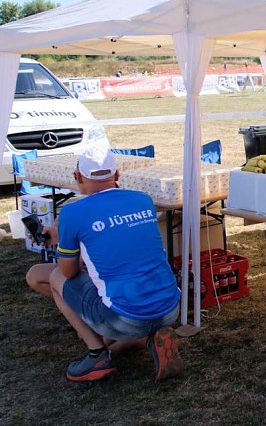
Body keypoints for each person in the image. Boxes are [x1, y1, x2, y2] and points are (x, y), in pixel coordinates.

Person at [25, 146, 182, 382]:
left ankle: (97, 352)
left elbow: (69, 271)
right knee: (38, 274)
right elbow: (117, 241)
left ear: (77, 177)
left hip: (125, 315)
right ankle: (141, 337)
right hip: (169, 309)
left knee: (55, 276)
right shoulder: (142, 199)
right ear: (117, 175)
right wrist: (67, 237)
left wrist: (65, 241)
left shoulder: (73, 212)